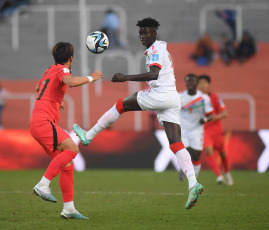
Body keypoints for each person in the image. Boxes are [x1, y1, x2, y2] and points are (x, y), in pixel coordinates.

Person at [74, 17, 204, 210]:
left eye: (147, 32)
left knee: (120, 105)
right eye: (141, 32)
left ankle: (88, 135)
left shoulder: (156, 50)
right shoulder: (157, 48)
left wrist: (125, 77)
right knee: (176, 144)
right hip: (172, 98)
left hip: (160, 95)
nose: (143, 35)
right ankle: (193, 183)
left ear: (155, 33)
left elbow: (154, 74)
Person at [30, 42, 103, 219]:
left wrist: (56, 100)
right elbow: (69, 82)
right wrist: (91, 78)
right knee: (72, 149)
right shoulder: (63, 70)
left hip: (37, 122)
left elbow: (38, 87)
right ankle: (43, 185)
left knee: (67, 165)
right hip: (44, 122)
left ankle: (69, 209)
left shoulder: (49, 70)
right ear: (71, 58)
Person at [198, 74, 234, 185]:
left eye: (204, 83)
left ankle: (227, 173)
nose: (202, 85)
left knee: (223, 154)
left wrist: (214, 117)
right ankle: (219, 176)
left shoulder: (215, 98)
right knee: (208, 150)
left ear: (209, 84)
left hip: (217, 130)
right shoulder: (196, 99)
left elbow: (225, 113)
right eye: (200, 83)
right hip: (205, 131)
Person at [179, 74, 213, 181]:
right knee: (186, 153)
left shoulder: (204, 98)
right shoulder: (180, 97)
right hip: (183, 129)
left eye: (193, 81)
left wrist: (206, 119)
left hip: (197, 130)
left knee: (196, 155)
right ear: (186, 83)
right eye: (189, 81)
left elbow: (210, 115)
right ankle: (186, 172)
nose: (191, 83)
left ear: (196, 83)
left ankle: (194, 177)